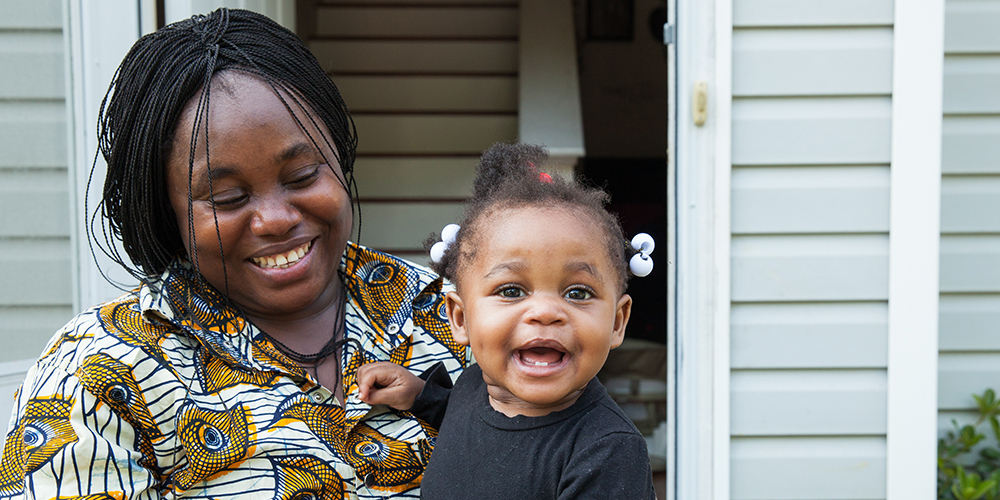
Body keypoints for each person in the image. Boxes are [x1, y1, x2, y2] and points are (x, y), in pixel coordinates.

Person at [0, 8, 467, 500]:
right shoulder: (100, 372)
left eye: (304, 175)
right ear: (166, 210)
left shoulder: (457, 315)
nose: (276, 219)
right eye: (228, 199)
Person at [359, 143, 657, 499]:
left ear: (617, 322)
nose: (545, 312)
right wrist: (418, 395)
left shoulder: (607, 450)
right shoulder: (475, 386)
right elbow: (468, 425)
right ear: (461, 318)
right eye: (512, 290)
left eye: (577, 293)